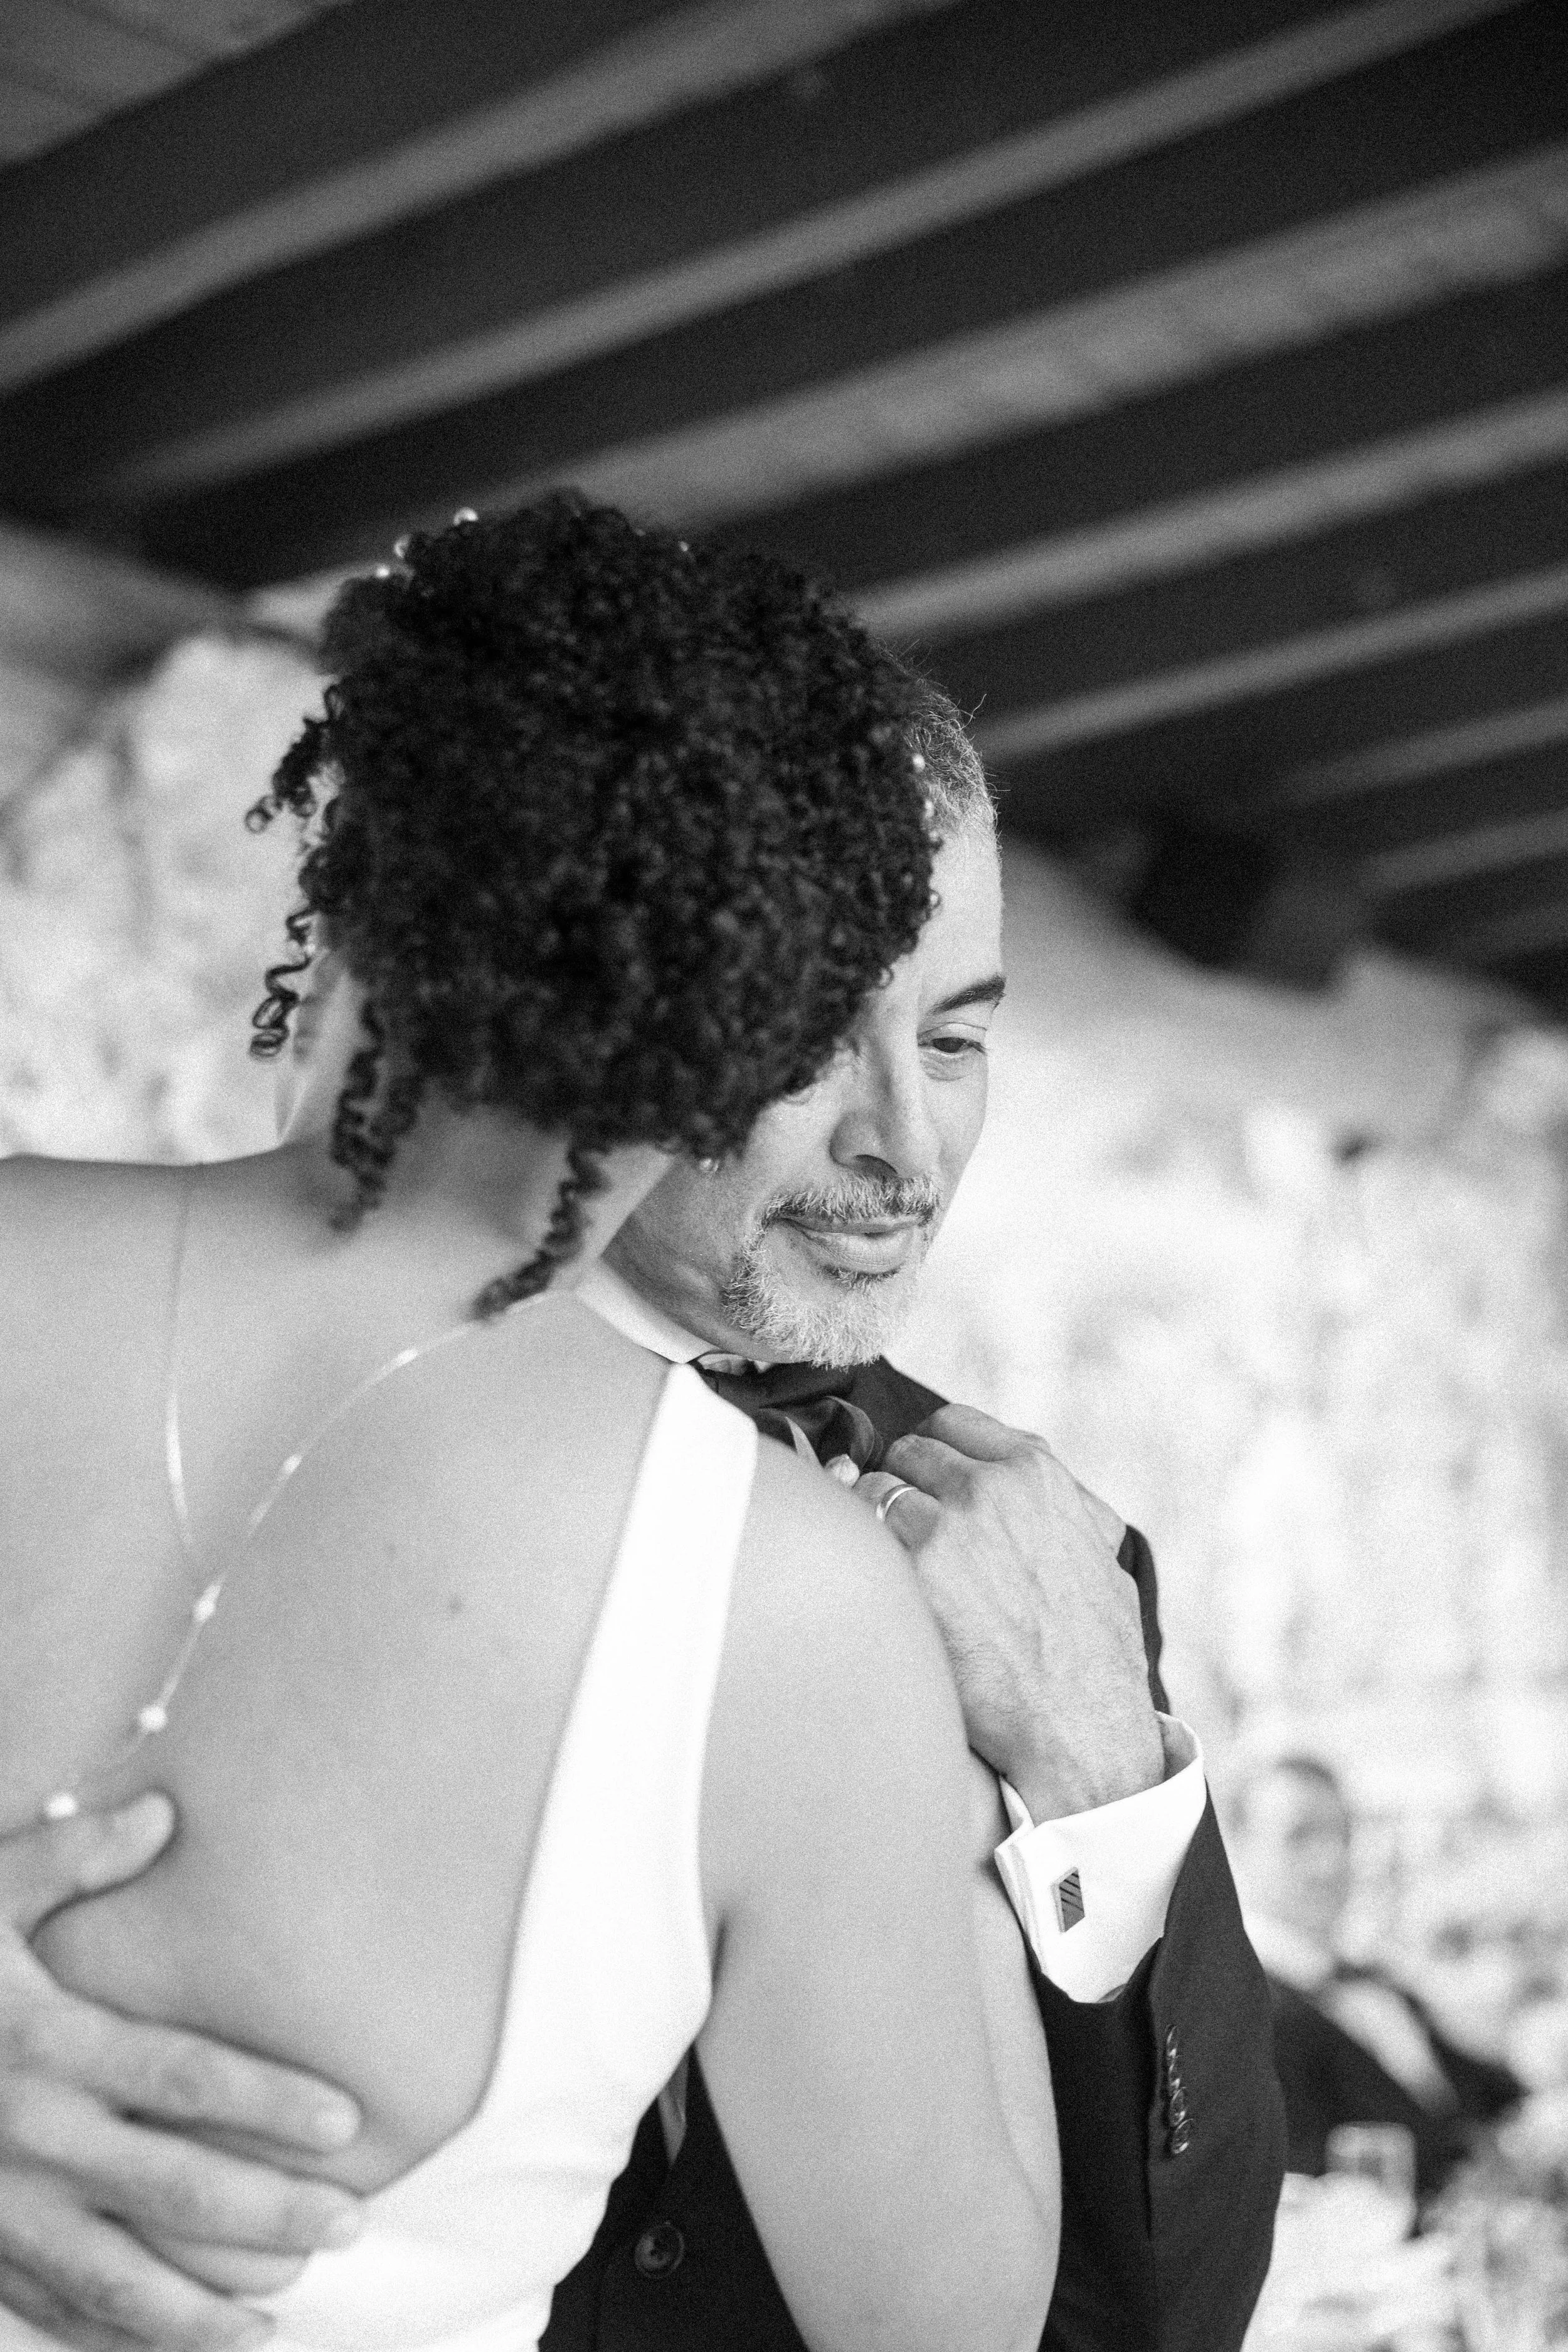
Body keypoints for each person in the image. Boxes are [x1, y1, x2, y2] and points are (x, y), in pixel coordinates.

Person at [0, 620, 1285, 2352]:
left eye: (955, 1041)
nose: (903, 1149)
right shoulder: (93, 1349)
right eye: (809, 1034)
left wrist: (1105, 1778)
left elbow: (1161, 2321)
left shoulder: (1019, 1570)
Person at [1232, 1754, 1522, 2197]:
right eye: (1300, 1836)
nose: (1332, 1860)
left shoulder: (1376, 1984)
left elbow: (1486, 2098)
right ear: (1236, 1847)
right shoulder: (1236, 2007)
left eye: (1343, 1833)